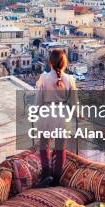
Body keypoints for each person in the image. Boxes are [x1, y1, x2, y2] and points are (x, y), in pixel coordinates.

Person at [35, 48, 78, 185]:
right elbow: (74, 103)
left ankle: (46, 173)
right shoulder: (70, 79)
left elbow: (38, 100)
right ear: (64, 63)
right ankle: (57, 180)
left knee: (44, 145)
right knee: (60, 148)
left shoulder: (44, 78)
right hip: (63, 115)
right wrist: (78, 114)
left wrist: (35, 113)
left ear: (50, 63)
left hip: (47, 113)